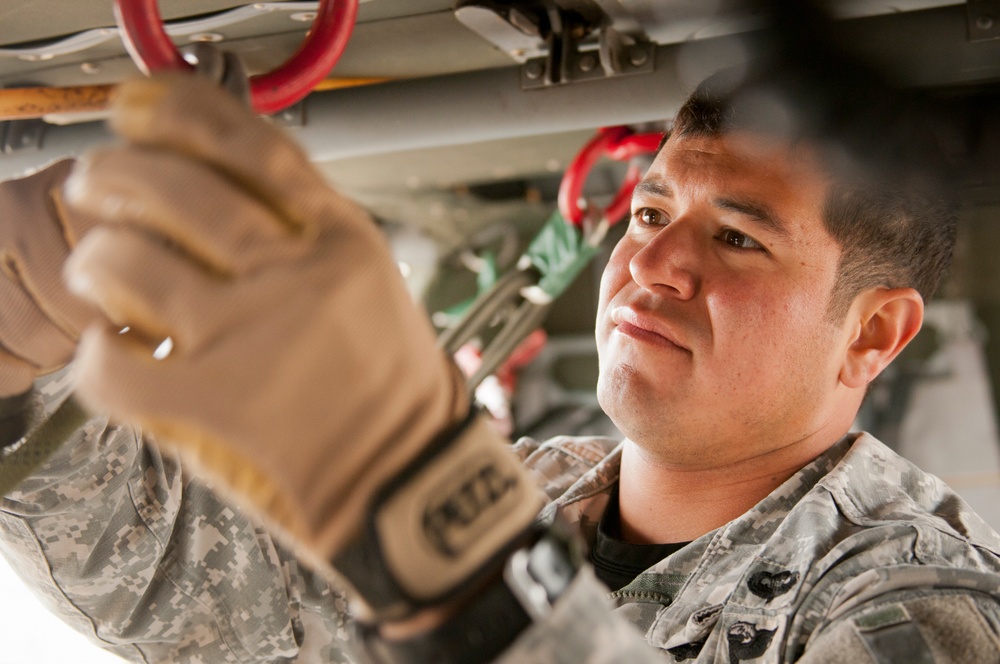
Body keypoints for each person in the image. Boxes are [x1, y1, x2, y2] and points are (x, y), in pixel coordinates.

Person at [1, 63, 999, 664]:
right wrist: (18, 373)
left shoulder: (919, 607)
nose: (650, 263)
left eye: (736, 240)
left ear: (871, 333)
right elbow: (197, 597)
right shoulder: (532, 487)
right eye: (649, 213)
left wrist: (440, 539)